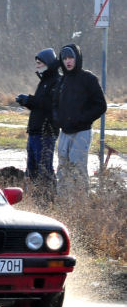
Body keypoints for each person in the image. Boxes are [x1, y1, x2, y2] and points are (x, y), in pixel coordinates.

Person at [54, 43, 107, 194]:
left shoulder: (88, 79)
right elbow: (54, 105)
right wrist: (58, 120)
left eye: (71, 57)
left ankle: (81, 203)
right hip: (64, 132)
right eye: (65, 58)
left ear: (77, 58)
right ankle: (63, 203)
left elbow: (101, 105)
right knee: (62, 170)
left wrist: (82, 119)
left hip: (82, 132)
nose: (68, 61)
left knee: (78, 168)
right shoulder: (61, 81)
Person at [16, 48, 60, 194]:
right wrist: (27, 102)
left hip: (46, 133)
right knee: (32, 169)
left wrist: (30, 100)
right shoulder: (44, 81)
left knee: (44, 169)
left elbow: (49, 104)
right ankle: (35, 197)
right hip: (35, 132)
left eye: (40, 63)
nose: (37, 66)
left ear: (48, 63)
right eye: (36, 63)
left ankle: (48, 198)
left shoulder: (56, 81)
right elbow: (40, 104)